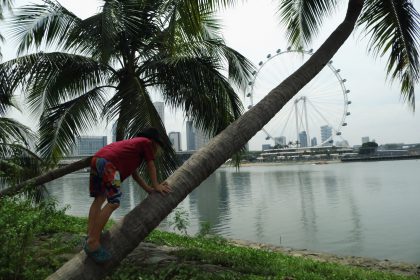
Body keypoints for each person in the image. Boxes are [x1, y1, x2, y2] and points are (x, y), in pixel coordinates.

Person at [83, 127, 172, 263]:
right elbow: (151, 165)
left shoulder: (132, 149)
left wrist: (148, 189)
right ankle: (93, 242)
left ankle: (90, 233)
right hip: (108, 163)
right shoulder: (146, 143)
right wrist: (156, 185)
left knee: (99, 199)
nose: (158, 150)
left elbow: (135, 175)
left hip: (98, 159)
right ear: (155, 142)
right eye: (159, 146)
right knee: (114, 202)